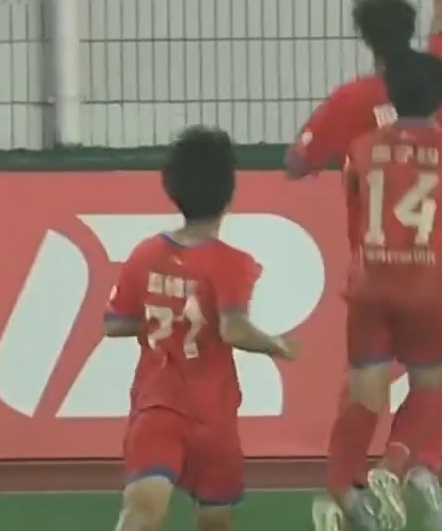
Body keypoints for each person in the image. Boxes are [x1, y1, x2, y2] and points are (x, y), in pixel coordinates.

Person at [285, 0, 442, 531]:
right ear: (412, 30)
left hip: (373, 262)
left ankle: (347, 487)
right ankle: (404, 465)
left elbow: (296, 162)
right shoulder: (437, 80)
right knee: (438, 368)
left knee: (367, 379)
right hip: (434, 259)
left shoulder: (351, 101)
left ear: (366, 39)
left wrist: (336, 149)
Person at [105, 126, 299, 531]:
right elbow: (234, 329)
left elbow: (115, 323)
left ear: (172, 187)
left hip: (157, 405)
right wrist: (274, 344)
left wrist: (164, 314)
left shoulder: (145, 254)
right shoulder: (233, 263)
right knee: (214, 519)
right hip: (213, 416)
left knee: (143, 508)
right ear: (229, 194)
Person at [323, 48, 442, 531]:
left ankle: (341, 490)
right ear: (440, 98)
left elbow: (353, 199)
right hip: (423, 283)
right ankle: (396, 464)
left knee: (364, 389)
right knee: (433, 380)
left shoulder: (361, 147)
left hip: (370, 283)